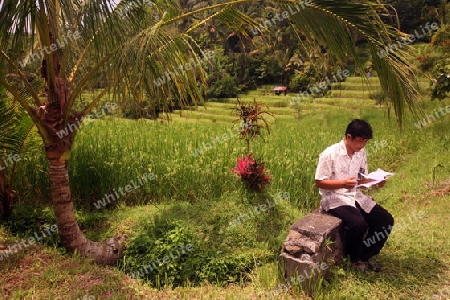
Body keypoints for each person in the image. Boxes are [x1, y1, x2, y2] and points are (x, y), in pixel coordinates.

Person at [314, 119, 394, 272]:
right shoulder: (330, 154)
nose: (362, 145)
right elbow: (319, 182)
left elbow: (361, 179)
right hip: (335, 198)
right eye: (359, 141)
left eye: (365, 142)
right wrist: (342, 183)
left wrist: (375, 181)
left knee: (385, 220)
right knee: (358, 223)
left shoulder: (361, 154)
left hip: (355, 195)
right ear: (349, 137)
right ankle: (353, 259)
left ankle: (364, 255)